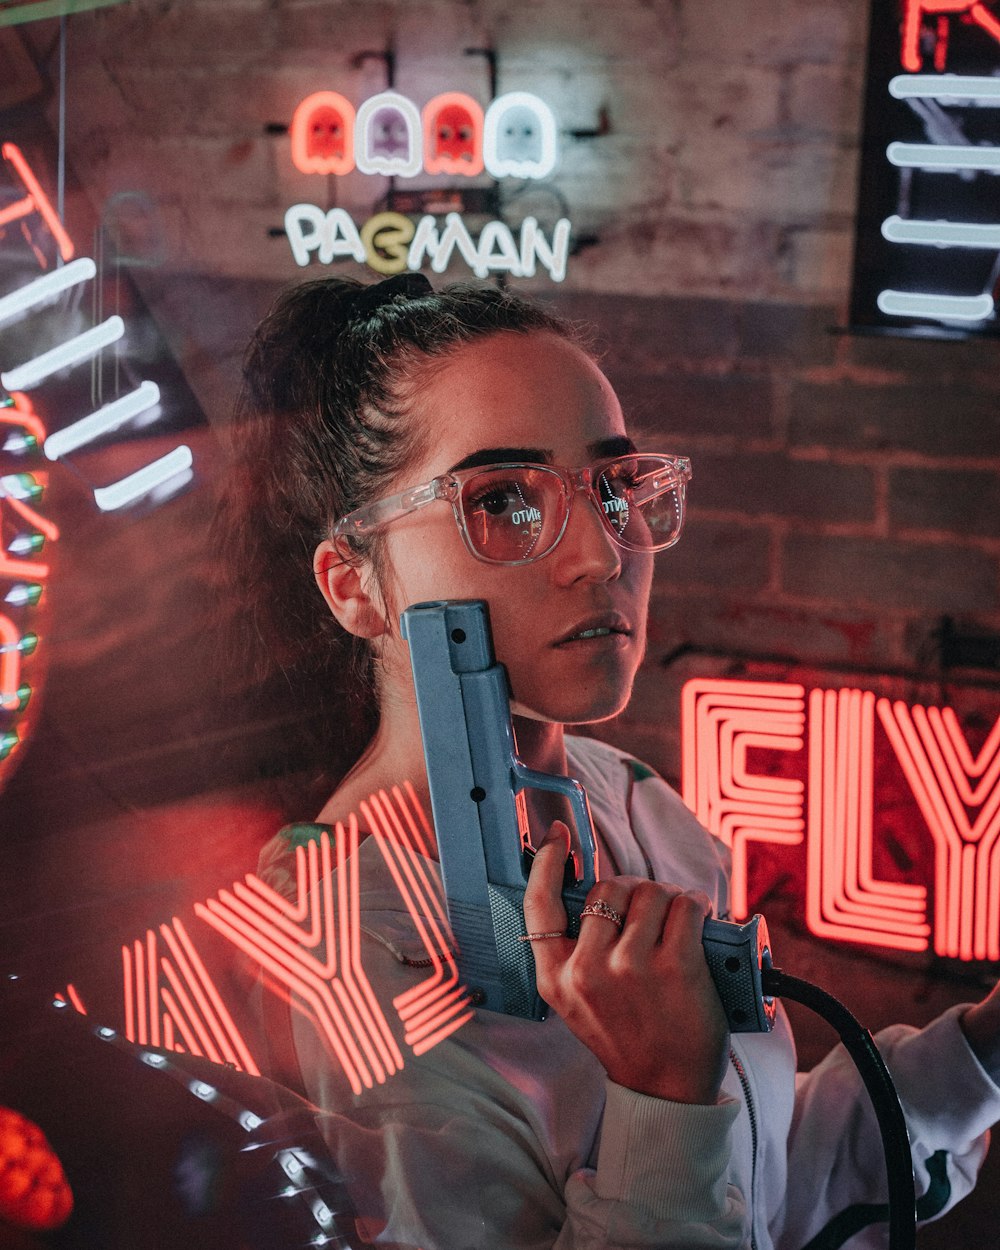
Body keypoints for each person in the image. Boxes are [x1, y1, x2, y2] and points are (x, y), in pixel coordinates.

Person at [220, 272, 1000, 1249]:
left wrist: (985, 1048)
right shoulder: (339, 965)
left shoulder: (637, 807)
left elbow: (768, 1181)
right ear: (354, 585)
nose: (601, 549)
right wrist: (658, 1100)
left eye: (614, 484)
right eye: (501, 498)